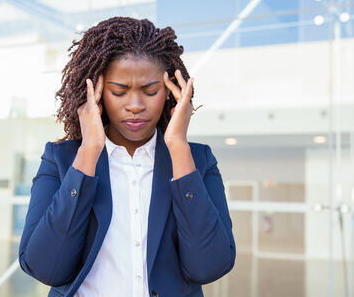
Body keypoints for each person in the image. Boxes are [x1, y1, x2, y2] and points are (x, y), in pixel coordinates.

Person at [18, 16, 236, 297]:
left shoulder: (197, 160)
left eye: (150, 91)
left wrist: (178, 147)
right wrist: (88, 151)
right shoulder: (60, 160)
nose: (135, 105)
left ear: (171, 92)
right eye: (119, 91)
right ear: (95, 91)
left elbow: (209, 267)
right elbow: (44, 268)